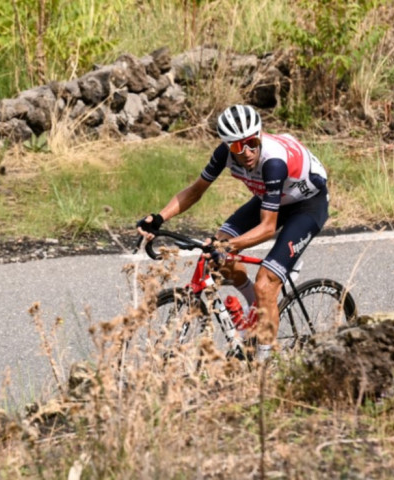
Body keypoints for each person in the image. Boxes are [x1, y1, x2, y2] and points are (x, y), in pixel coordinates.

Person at [136, 104, 329, 362]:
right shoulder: (223, 154)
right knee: (217, 258)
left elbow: (268, 227)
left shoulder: (273, 162)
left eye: (252, 142)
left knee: (266, 281)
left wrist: (228, 246)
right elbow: (195, 191)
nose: (247, 152)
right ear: (228, 147)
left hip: (307, 205)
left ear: (259, 136)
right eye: (238, 147)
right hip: (271, 197)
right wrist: (159, 217)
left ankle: (264, 367)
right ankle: (255, 306)